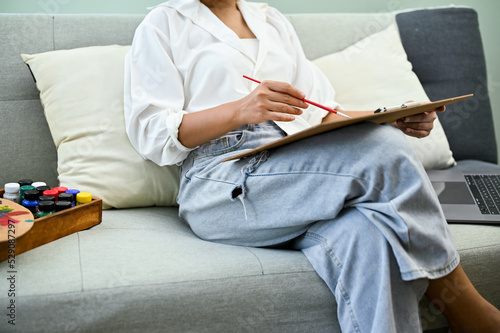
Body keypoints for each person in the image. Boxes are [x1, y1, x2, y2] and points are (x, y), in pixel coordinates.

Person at [124, 0, 500, 331]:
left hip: (294, 166)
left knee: (368, 233)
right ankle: (467, 310)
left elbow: (319, 113)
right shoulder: (163, 24)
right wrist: (240, 111)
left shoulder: (270, 21)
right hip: (219, 181)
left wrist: (388, 119)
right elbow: (151, 134)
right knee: (385, 150)